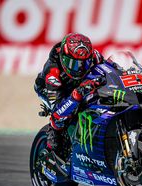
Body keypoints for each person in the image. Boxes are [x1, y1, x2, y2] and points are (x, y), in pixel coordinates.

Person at [34, 33, 105, 178]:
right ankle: (53, 141)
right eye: (74, 64)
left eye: (84, 63)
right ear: (64, 59)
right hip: (52, 89)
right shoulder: (52, 73)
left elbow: (110, 68)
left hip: (78, 85)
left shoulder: (94, 56)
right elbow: (58, 110)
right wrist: (76, 95)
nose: (79, 69)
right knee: (62, 117)